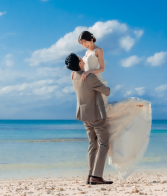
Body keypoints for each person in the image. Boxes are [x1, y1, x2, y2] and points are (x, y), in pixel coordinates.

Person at [70, 30, 154, 181]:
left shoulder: (98, 50)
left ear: (90, 39)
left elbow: (102, 68)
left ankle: (93, 175)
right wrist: (77, 72)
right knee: (101, 128)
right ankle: (95, 175)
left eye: (84, 42)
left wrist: (87, 72)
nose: (83, 45)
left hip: (96, 81)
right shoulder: (85, 54)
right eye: (81, 44)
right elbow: (79, 67)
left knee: (103, 116)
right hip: (90, 83)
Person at [66, 53, 114, 185]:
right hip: (96, 114)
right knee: (104, 144)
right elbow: (107, 91)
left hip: (84, 115)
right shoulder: (90, 77)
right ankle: (96, 176)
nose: (83, 59)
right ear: (80, 63)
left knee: (92, 144)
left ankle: (90, 175)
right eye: (81, 59)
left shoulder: (74, 76)